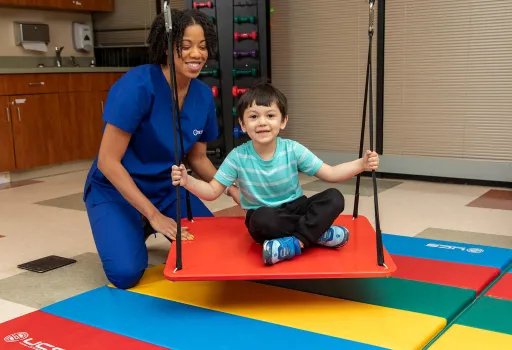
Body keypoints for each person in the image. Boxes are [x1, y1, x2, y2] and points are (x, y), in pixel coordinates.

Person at [82, 9, 240, 289]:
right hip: (114, 188)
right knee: (126, 274)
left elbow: (198, 158)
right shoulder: (137, 86)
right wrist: (154, 215)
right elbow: (108, 161)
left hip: (166, 188)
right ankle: (138, 219)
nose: (196, 54)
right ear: (167, 47)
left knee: (211, 246)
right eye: (186, 46)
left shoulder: (202, 95)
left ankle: (140, 221)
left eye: (202, 46)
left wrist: (230, 188)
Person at [171, 81, 380, 266]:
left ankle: (296, 242)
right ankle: (317, 234)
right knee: (261, 220)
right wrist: (187, 181)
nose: (262, 122)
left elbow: (331, 173)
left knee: (334, 197)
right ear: (243, 125)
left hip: (297, 207)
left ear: (283, 121)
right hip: (264, 214)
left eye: (270, 116)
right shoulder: (237, 156)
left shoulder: (292, 149)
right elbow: (211, 191)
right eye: (253, 117)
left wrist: (361, 164)